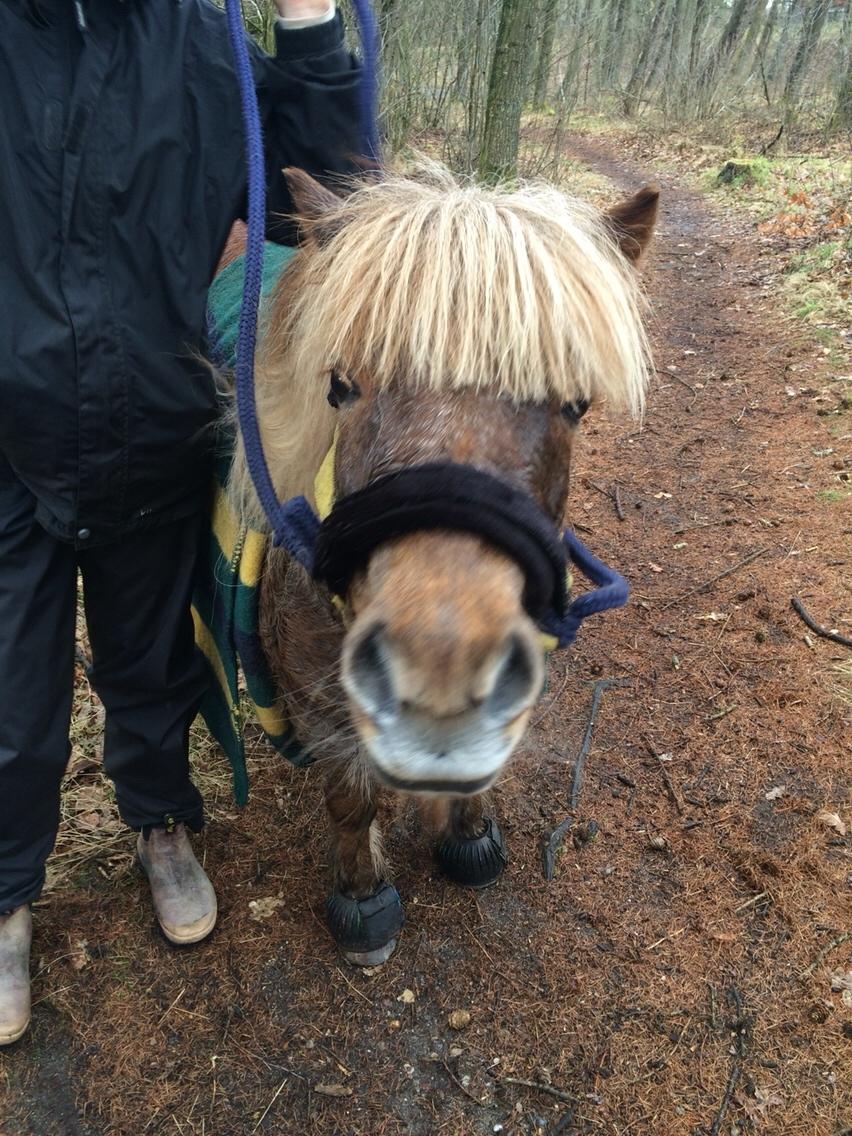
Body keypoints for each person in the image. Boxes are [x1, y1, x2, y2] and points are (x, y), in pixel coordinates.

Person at [0, 0, 363, 1045]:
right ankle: (7, 891)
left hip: (151, 429)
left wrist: (309, 31)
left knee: (153, 658)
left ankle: (160, 823)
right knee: (11, 688)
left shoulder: (200, 41)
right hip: (9, 443)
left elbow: (324, 202)